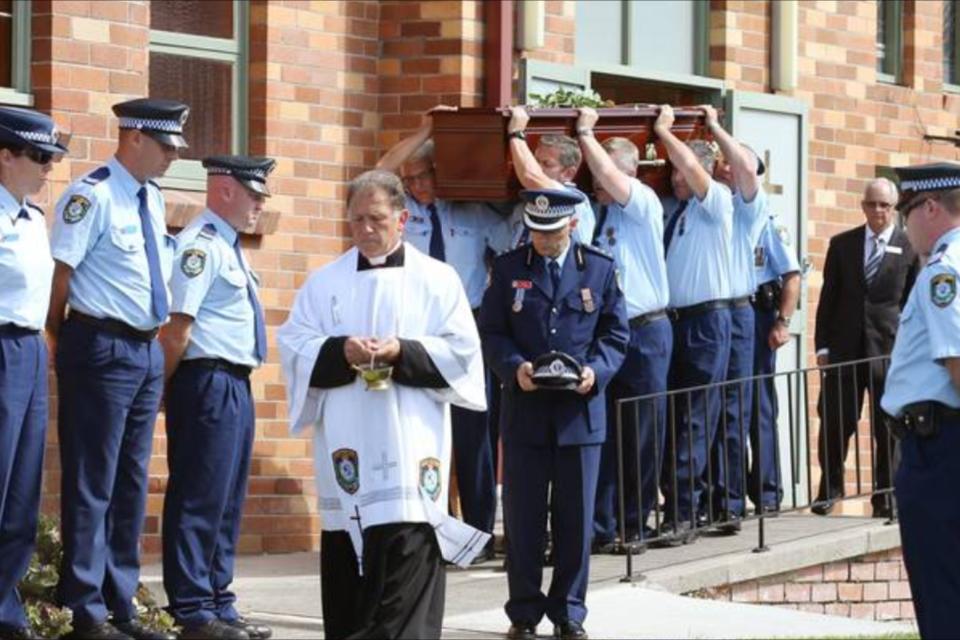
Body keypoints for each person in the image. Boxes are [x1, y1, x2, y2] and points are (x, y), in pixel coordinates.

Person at [277, 170, 489, 640]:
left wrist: (401, 352)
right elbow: (294, 346)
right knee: (350, 581)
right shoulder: (324, 282)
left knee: (404, 583)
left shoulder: (437, 279)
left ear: (402, 218)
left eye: (376, 219)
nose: (366, 230)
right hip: (348, 447)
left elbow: (462, 353)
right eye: (356, 221)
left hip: (410, 450)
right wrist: (339, 351)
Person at [47, 98, 188, 640]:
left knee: (131, 481)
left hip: (144, 349)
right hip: (100, 343)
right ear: (133, 138)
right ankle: (85, 606)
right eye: (166, 146)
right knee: (93, 478)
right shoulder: (94, 194)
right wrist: (60, 336)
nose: (173, 157)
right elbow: (61, 275)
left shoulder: (149, 197)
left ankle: (119, 599)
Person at [479, 188, 629, 640]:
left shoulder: (599, 269)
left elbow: (616, 333)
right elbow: (491, 332)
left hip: (578, 416)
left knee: (574, 521)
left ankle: (569, 613)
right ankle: (523, 613)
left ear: (574, 225)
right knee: (523, 521)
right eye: (536, 232)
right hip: (526, 412)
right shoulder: (508, 270)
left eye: (552, 232)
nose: (543, 240)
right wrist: (513, 369)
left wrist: (596, 372)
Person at [376, 106, 509, 561]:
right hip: (414, 333)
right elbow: (379, 172)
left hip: (465, 329)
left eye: (423, 177)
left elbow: (512, 237)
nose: (415, 186)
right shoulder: (401, 212)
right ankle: (422, 532)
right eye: (410, 179)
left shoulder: (471, 208)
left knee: (475, 434)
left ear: (441, 171)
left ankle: (478, 536)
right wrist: (427, 128)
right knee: (418, 432)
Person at [158, 156, 276, 640]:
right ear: (224, 190)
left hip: (234, 382)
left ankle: (218, 600)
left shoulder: (230, 246)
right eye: (254, 195)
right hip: (205, 380)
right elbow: (176, 329)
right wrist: (164, 388)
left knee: (227, 499)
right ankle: (191, 607)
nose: (260, 206)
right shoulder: (200, 247)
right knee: (199, 496)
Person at [573, 108, 671, 553]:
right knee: (605, 430)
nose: (599, 179)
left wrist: (584, 134)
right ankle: (601, 525)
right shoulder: (601, 216)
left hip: (647, 331)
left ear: (629, 170)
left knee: (642, 431)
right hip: (611, 333)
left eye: (607, 169)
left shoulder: (643, 202)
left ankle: (635, 525)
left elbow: (610, 178)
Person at [881, 162, 960, 639]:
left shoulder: (942, 274)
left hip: (939, 450)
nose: (903, 226)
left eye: (906, 211)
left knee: (941, 590)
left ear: (930, 207)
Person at [0, 106, 69, 640]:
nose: (49, 167)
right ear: (5, 156)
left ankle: (5, 605)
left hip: (27, 350)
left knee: (24, 488)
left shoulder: (32, 217)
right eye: (39, 156)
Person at [813, 177, 917, 517]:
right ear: (863, 206)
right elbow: (828, 300)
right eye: (872, 204)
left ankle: (886, 496)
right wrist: (823, 346)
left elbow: (912, 304)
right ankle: (828, 491)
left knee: (888, 427)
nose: (878, 211)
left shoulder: (909, 247)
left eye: (885, 205)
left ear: (894, 208)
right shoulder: (843, 245)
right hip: (844, 349)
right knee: (834, 422)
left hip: (889, 351)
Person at [654, 104, 734, 545]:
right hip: (677, 322)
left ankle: (684, 514)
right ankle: (680, 506)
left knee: (695, 420)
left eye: (680, 172)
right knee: (674, 417)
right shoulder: (677, 211)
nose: (674, 178)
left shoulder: (714, 203)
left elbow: (693, 169)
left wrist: (667, 134)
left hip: (706, 321)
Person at [702, 105, 774, 532]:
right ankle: (708, 498)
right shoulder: (705, 202)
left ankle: (729, 502)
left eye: (727, 162)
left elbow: (747, 166)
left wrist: (715, 128)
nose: (723, 168)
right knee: (704, 410)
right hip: (707, 316)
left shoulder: (749, 206)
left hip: (737, 312)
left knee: (732, 409)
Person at [748, 216, 801, 512]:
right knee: (732, 405)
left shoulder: (767, 221)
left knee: (761, 405)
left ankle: (767, 493)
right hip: (733, 312)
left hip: (759, 315)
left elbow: (792, 275)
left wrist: (783, 322)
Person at [505, 106, 596, 247]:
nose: (538, 168)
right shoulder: (525, 206)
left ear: (568, 173)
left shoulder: (572, 199)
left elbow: (530, 176)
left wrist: (516, 134)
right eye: (536, 162)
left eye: (547, 164)